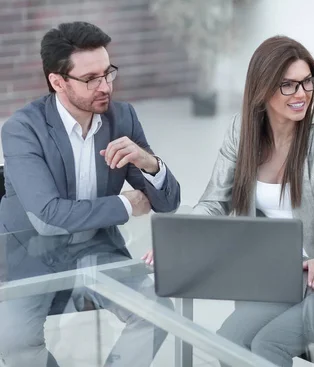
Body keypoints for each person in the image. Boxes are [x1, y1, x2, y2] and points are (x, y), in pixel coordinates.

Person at [143, 35, 314, 367]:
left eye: (306, 82)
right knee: (228, 343)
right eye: (288, 85)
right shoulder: (242, 132)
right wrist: (180, 238)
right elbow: (215, 201)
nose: (301, 94)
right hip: (276, 276)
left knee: (267, 345)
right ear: (263, 87)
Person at [0, 22, 180, 367]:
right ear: (57, 81)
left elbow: (168, 202)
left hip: (96, 248)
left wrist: (150, 163)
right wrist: (126, 203)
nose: (105, 86)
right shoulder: (23, 129)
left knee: (156, 313)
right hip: (30, 256)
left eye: (108, 73)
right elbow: (50, 218)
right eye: (90, 79)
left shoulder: (122, 117)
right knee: (16, 343)